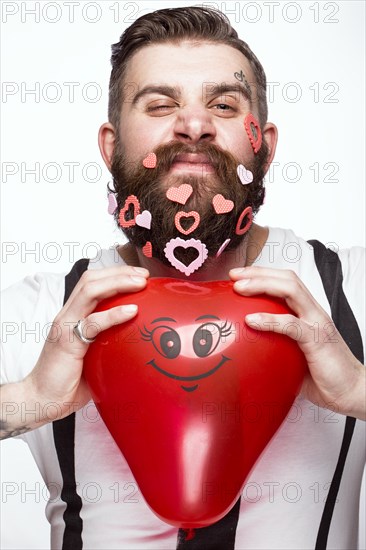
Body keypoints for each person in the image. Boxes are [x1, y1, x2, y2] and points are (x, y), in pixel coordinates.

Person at [1, 6, 365, 549]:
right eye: (160, 104)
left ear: (264, 144)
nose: (194, 125)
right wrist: (26, 397)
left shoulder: (351, 288)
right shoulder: (40, 311)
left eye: (223, 104)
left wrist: (360, 389)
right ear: (110, 145)